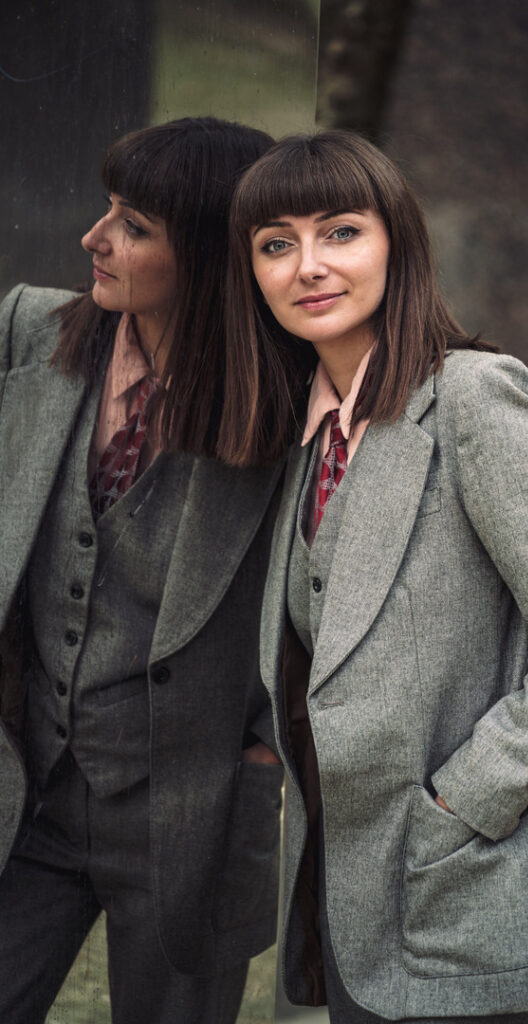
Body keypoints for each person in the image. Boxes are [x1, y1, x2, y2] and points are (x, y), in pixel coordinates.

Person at [217, 130, 528, 1024]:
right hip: (343, 895)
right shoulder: (309, 440)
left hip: (458, 886)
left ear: (397, 244)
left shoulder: (473, 398)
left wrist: (471, 790)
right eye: (276, 244)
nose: (309, 265)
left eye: (340, 232)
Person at [0, 117, 285, 1024]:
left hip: (189, 815)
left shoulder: (280, 407)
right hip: (25, 784)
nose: (95, 237)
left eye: (133, 224)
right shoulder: (26, 331)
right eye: (107, 209)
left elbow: (337, 583)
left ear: (203, 254)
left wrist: (269, 743)